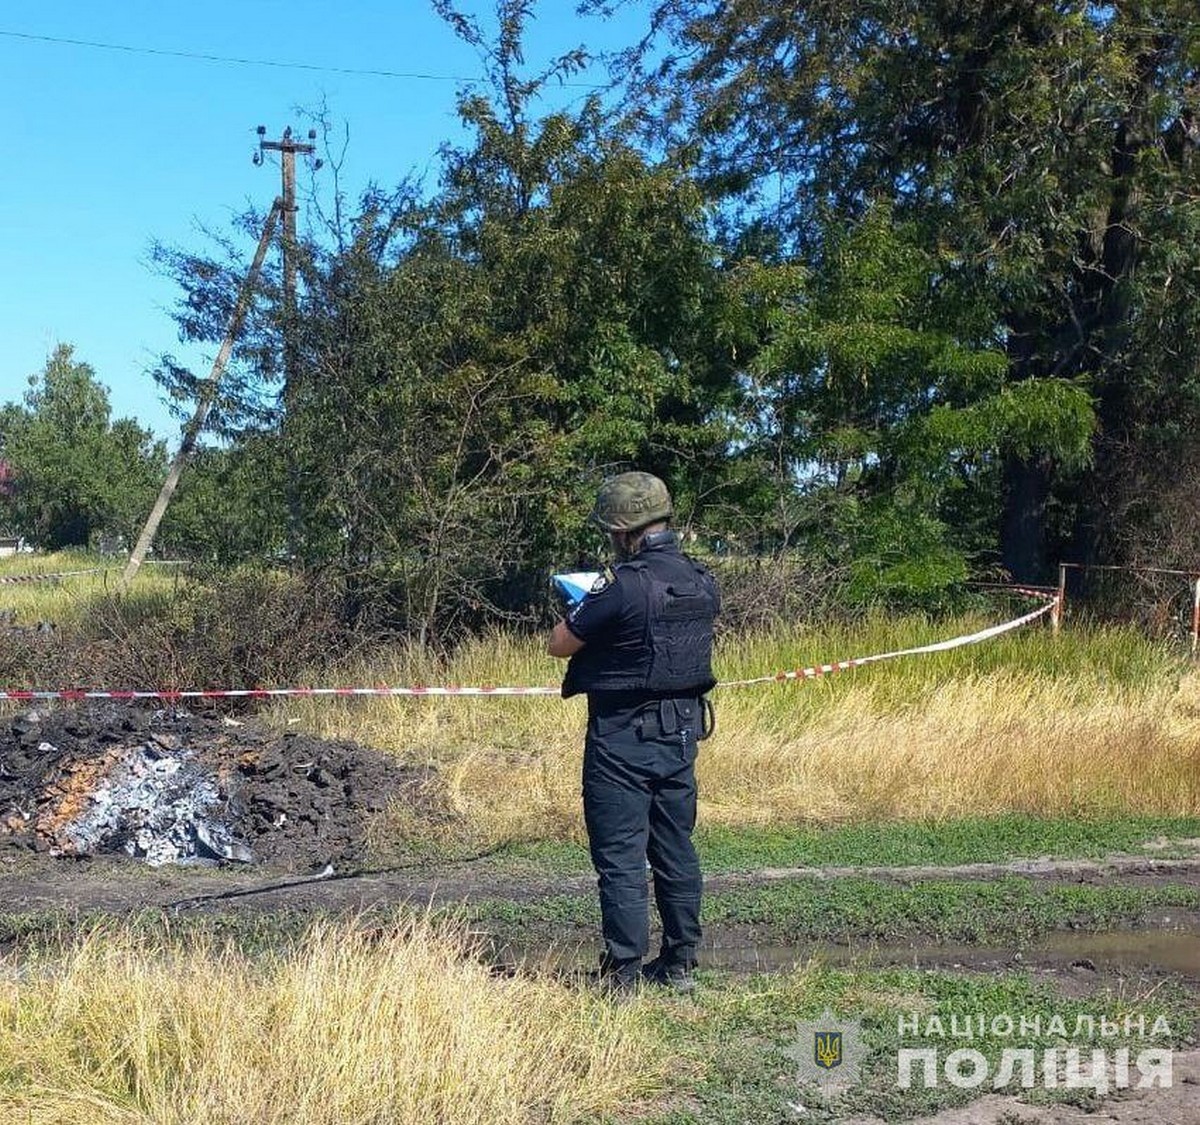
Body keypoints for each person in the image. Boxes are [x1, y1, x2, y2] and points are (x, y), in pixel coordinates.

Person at [548, 471, 720, 994]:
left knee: (621, 856)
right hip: (683, 733)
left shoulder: (621, 585)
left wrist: (578, 605)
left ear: (625, 533)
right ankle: (679, 963)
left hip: (622, 736)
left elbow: (560, 644)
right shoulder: (700, 579)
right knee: (675, 848)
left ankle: (623, 973)